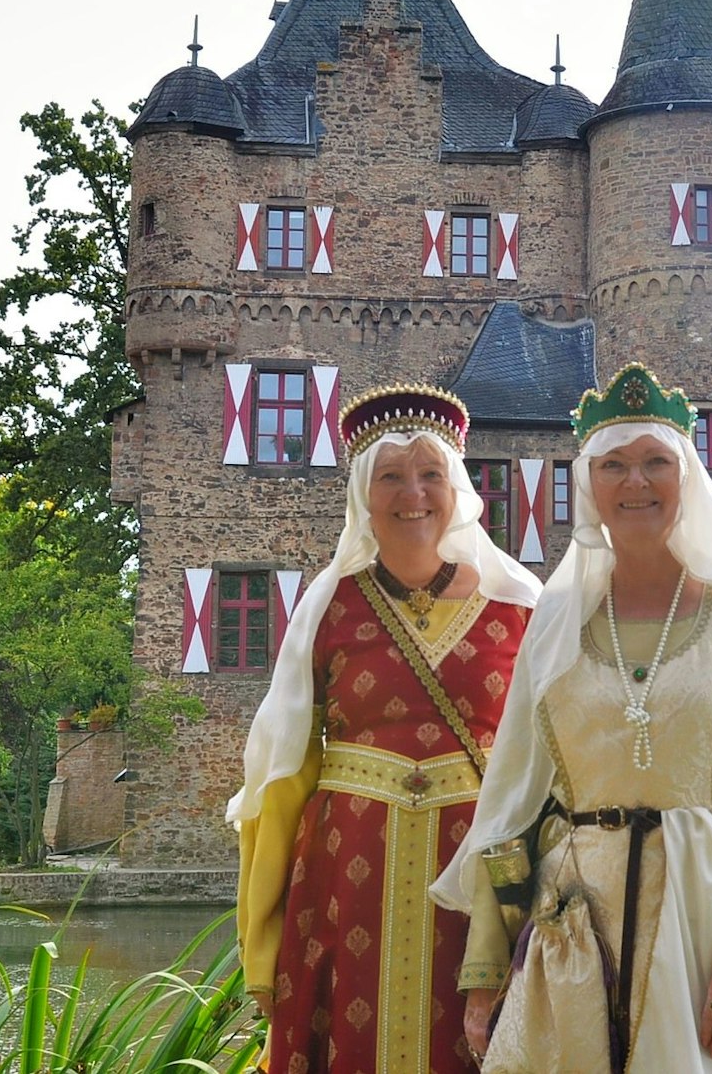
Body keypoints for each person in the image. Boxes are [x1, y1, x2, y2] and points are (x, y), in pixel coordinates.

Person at [432, 363, 712, 1073]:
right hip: (574, 933)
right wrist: (484, 967)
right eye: (614, 465)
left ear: (686, 476)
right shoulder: (557, 623)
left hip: (706, 920)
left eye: (657, 462)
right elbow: (512, 804)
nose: (636, 482)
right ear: (587, 485)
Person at [228, 383, 541, 1073]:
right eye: (392, 476)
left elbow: (551, 768)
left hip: (476, 886)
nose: (413, 494)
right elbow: (279, 777)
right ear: (364, 495)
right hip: (345, 880)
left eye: (431, 473)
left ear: (456, 487)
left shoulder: (520, 608)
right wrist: (262, 937)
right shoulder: (326, 607)